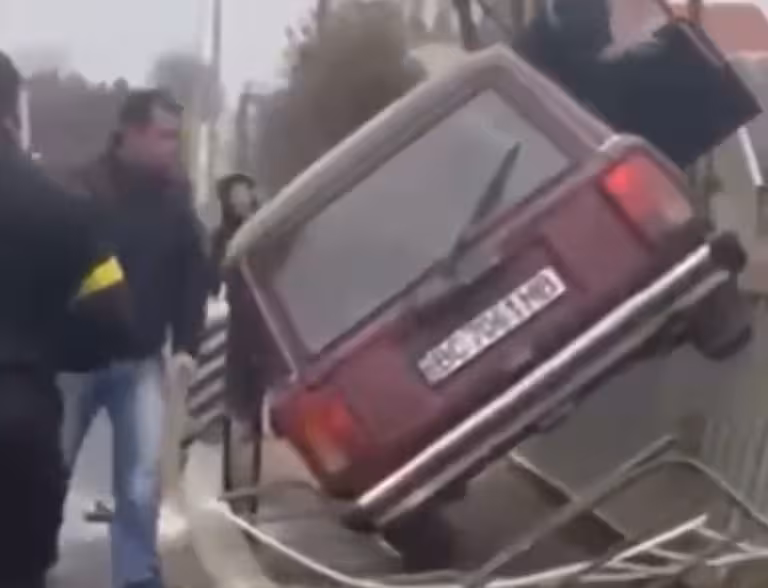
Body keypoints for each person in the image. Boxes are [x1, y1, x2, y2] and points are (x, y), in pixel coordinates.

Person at [61, 89, 209, 588]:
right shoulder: (81, 190)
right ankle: (24, 563)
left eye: (175, 137)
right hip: (72, 363)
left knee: (140, 484)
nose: (172, 147)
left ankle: (138, 576)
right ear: (130, 133)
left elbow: (192, 275)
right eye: (164, 136)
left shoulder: (176, 200)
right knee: (48, 473)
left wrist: (186, 346)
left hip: (140, 362)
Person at [0, 51, 133, 588]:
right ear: (15, 112)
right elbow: (115, 320)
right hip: (21, 423)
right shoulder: (64, 209)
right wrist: (47, 347)